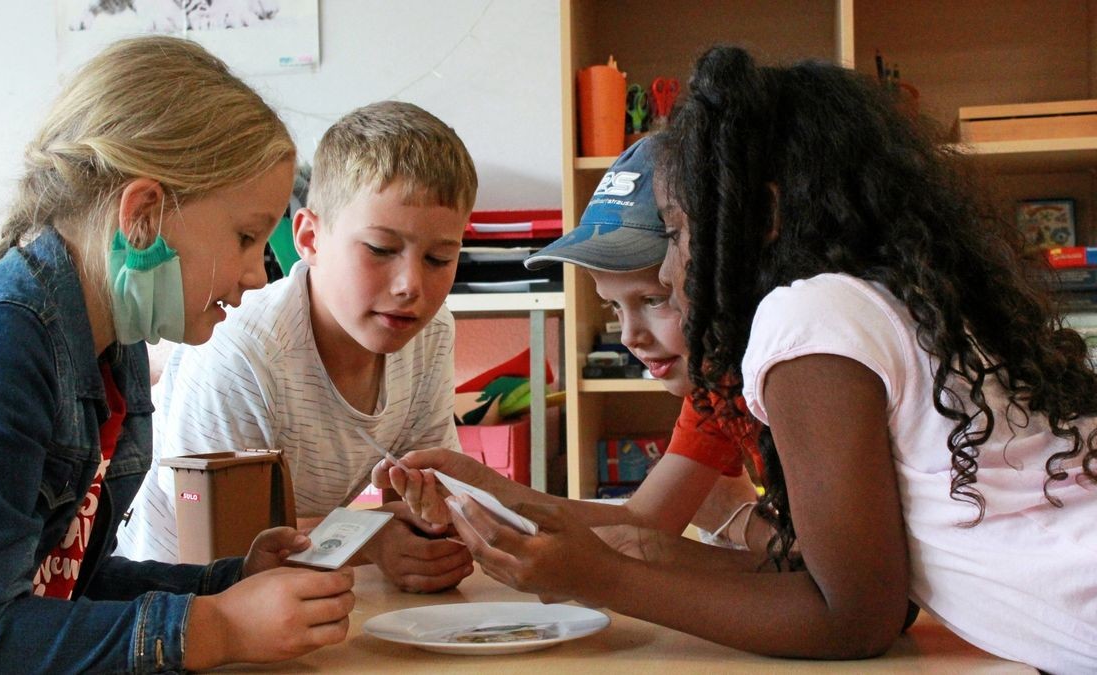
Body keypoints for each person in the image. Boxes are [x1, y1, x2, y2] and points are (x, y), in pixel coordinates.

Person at [386, 46, 1097, 673]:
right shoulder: (887, 299)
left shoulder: (805, 318)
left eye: (675, 231)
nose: (667, 268)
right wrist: (492, 492)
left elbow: (857, 617)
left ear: (761, 217)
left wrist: (604, 576)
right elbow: (854, 581)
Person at [0, 37, 356, 672]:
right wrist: (216, 628)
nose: (259, 272)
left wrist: (225, 585)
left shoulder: (117, 347)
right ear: (141, 214)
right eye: (247, 236)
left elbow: (62, 588)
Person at [118, 100, 477, 593]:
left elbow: (416, 493)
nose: (410, 285)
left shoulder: (430, 332)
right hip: (178, 602)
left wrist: (432, 525)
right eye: (379, 249)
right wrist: (368, 539)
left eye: (439, 258)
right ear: (309, 237)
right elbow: (221, 546)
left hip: (311, 589)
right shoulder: (243, 350)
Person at [377, 135, 767, 550]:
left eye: (655, 299)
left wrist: (742, 521)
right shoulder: (714, 392)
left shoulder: (793, 377)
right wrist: (480, 485)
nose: (631, 336)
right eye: (614, 307)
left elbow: (828, 571)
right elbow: (644, 520)